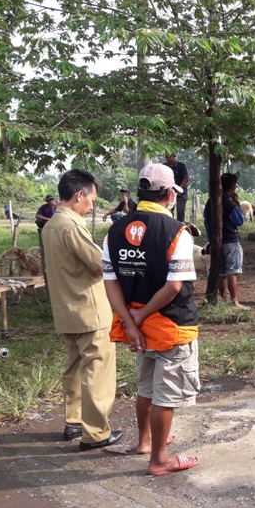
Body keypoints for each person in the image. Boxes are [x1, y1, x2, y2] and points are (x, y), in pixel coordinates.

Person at [103, 163, 200, 475]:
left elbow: (110, 282)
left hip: (138, 327)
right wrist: (143, 314)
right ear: (169, 194)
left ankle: (145, 441)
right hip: (171, 325)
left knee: (146, 387)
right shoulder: (177, 232)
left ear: (140, 192)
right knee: (166, 394)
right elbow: (174, 286)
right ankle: (159, 459)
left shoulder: (115, 230)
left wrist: (131, 322)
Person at [41, 169, 122, 450]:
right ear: (79, 195)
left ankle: (74, 422)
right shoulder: (71, 226)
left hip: (66, 308)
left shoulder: (51, 225)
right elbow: (100, 266)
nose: (91, 206)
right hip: (90, 309)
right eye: (91, 200)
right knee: (96, 369)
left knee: (75, 367)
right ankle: (95, 433)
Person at [202, 172, 248, 309]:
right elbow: (239, 222)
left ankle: (223, 300)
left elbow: (206, 222)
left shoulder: (210, 202)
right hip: (231, 242)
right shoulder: (230, 204)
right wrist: (237, 204)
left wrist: (211, 240)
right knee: (232, 273)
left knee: (221, 273)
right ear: (233, 187)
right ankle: (235, 302)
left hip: (217, 242)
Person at [165, 153, 190, 222]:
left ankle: (180, 224)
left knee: (180, 210)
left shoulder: (181, 165)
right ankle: (169, 224)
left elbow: (186, 178)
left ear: (174, 157)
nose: (168, 159)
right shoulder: (164, 166)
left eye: (169, 157)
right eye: (166, 157)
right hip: (169, 191)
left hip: (181, 191)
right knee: (168, 210)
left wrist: (179, 189)